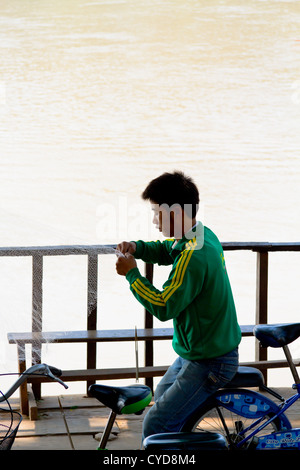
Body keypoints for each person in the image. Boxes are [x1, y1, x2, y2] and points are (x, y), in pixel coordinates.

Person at [115, 171, 241, 440]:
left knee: (155, 426)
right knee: (162, 397)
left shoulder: (192, 257)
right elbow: (166, 250)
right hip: (199, 349)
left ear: (174, 214)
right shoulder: (201, 235)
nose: (154, 220)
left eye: (157, 213)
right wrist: (137, 247)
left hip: (211, 360)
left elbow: (163, 306)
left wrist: (132, 274)